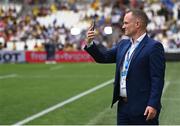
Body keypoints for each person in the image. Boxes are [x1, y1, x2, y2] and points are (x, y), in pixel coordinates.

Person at [84, 9, 165, 125]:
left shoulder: (154, 47)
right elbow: (103, 57)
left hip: (143, 108)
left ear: (137, 24)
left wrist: (153, 104)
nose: (123, 26)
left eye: (126, 23)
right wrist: (90, 43)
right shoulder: (123, 44)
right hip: (123, 107)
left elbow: (157, 78)